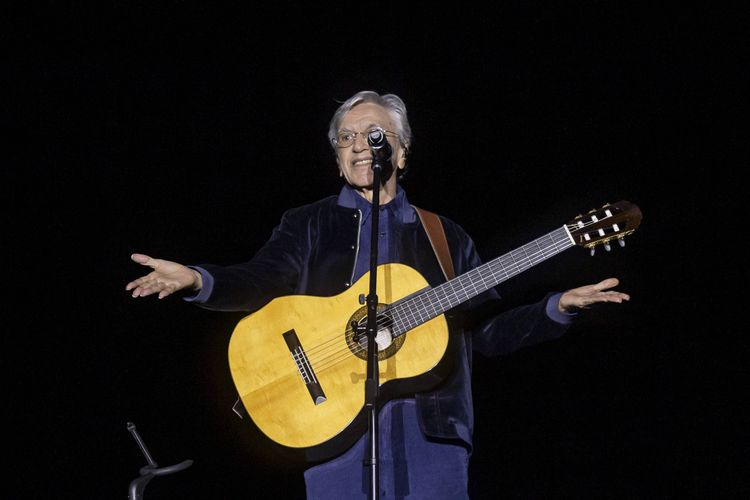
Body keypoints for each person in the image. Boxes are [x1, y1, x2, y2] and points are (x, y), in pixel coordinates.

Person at [125, 90, 630, 499]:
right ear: (337, 156)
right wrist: (197, 279)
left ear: (402, 150)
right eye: (346, 137)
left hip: (432, 435)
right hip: (332, 427)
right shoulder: (309, 223)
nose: (359, 144)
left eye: (373, 134)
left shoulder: (445, 237)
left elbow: (484, 336)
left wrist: (555, 308)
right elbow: (260, 281)